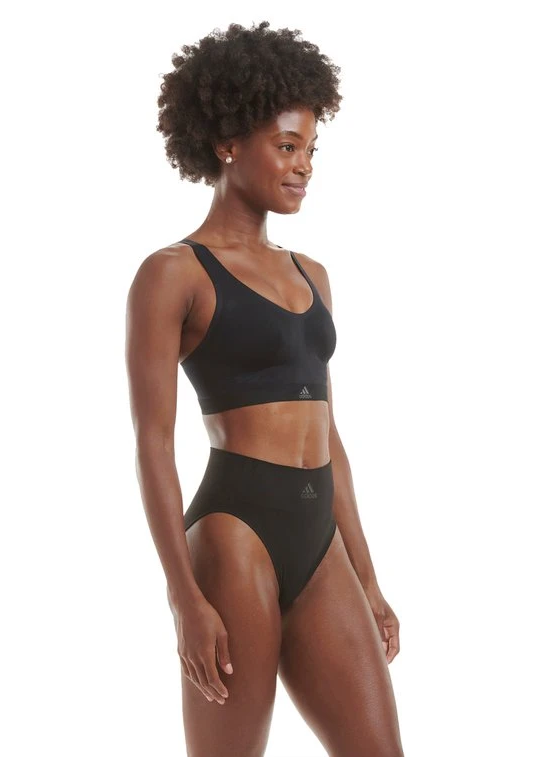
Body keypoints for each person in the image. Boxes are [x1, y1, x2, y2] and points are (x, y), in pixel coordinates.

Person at [125, 20, 405, 757]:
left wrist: (368, 577)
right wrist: (183, 597)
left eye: (311, 149)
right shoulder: (173, 274)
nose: (303, 166)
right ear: (228, 143)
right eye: (286, 146)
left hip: (319, 539)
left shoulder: (313, 275)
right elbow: (153, 444)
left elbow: (328, 431)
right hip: (233, 532)